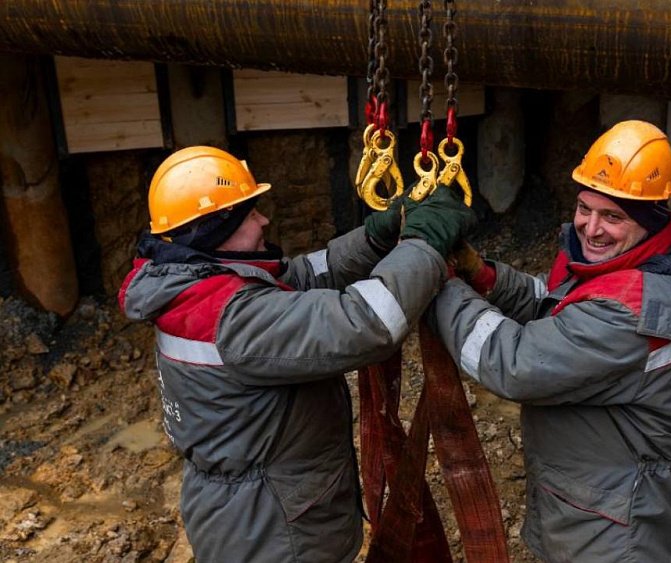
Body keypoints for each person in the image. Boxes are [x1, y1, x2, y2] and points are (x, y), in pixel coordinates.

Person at [118, 146, 476, 562]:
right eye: (249, 213)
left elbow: (304, 278)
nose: (263, 219)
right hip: (272, 532)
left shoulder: (195, 285)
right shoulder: (233, 318)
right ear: (215, 232)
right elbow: (365, 324)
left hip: (247, 515)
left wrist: (375, 238)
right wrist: (424, 243)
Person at [432, 120, 671, 562]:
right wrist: (482, 276)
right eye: (585, 208)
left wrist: (442, 281)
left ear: (650, 220)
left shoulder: (632, 309)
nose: (591, 228)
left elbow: (514, 364)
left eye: (613, 216)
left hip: (623, 520)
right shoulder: (634, 263)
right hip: (603, 492)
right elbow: (558, 308)